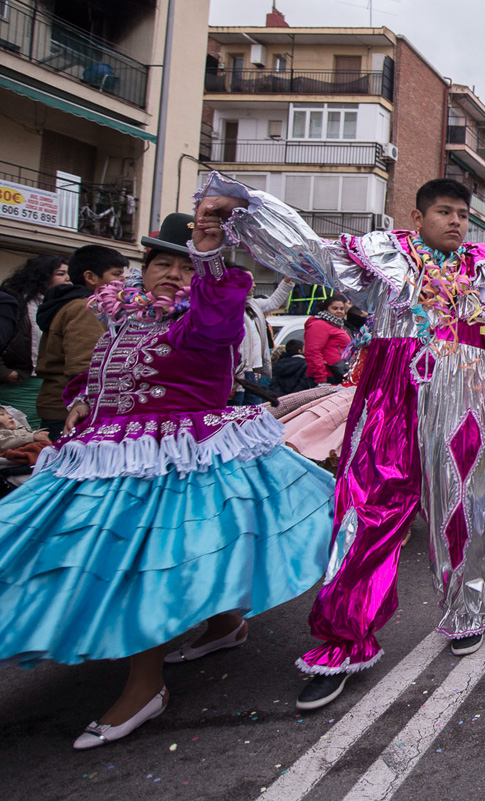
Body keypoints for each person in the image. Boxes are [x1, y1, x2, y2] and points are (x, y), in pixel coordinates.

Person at [196, 172, 485, 710]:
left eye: (462, 214)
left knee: (462, 509)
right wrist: (246, 207)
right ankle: (343, 639)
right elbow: (309, 253)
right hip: (390, 397)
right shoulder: (383, 261)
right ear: (418, 218)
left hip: (462, 399)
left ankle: (469, 609)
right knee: (366, 509)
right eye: (444, 212)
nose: (455, 221)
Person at [0, 212, 334, 748]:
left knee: (142, 567)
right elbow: (100, 370)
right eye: (164, 263)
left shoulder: (207, 313)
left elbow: (218, 319)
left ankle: (145, 687)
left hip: (180, 454)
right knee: (105, 554)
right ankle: (226, 626)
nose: (174, 274)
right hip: (106, 453)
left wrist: (209, 261)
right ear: (143, 269)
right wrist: (82, 399)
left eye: (186, 266)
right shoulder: (124, 315)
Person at [34, 245, 128, 438]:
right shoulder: (86, 309)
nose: (123, 280)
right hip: (69, 410)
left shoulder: (80, 305)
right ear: (91, 277)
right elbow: (87, 365)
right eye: (116, 274)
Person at [0, 255, 68, 424]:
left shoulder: (61, 306)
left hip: (48, 383)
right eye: (60, 273)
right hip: (19, 383)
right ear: (42, 276)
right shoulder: (15, 302)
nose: (67, 279)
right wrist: (5, 372)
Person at [236, 276, 294, 405]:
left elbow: (273, 302)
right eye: (250, 281)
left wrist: (287, 281)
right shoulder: (228, 307)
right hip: (237, 372)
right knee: (236, 411)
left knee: (254, 412)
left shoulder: (253, 304)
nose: (254, 285)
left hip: (252, 370)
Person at [304, 294, 352, 386]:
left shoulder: (337, 325)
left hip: (338, 373)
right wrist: (321, 378)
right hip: (327, 375)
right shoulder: (319, 325)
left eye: (342, 309)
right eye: (335, 308)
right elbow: (313, 352)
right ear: (326, 309)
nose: (339, 311)